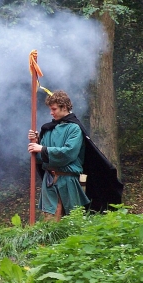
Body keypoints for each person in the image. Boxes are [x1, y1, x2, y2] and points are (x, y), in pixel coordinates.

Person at [27, 90, 90, 221]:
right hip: (49, 183)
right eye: (51, 109)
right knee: (50, 224)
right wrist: (36, 142)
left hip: (68, 182)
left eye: (54, 109)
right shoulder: (49, 129)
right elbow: (39, 159)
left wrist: (42, 148)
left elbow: (68, 154)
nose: (51, 113)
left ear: (64, 107)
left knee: (71, 223)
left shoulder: (74, 128)